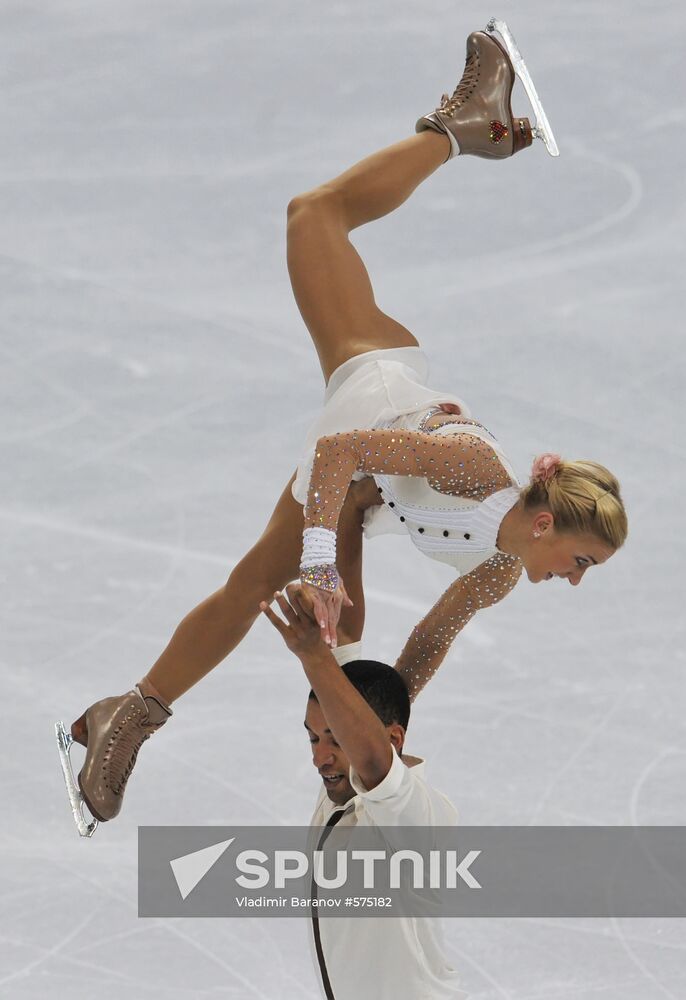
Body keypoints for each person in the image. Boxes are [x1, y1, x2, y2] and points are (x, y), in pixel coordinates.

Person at [56, 22, 628, 835]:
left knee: (315, 613)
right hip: (372, 394)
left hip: (365, 486)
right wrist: (322, 565)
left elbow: (425, 644)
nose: (574, 580)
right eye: (581, 561)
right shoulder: (474, 473)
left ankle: (129, 713)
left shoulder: (498, 572)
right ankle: (462, 127)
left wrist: (377, 739)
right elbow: (342, 448)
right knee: (313, 214)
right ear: (545, 523)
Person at [260, 587, 467, 1000]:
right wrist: (330, 562)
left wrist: (314, 657)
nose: (320, 758)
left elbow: (372, 757)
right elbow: (344, 646)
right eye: (313, 738)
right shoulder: (342, 790)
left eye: (336, 740)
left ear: (393, 739)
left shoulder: (414, 812)